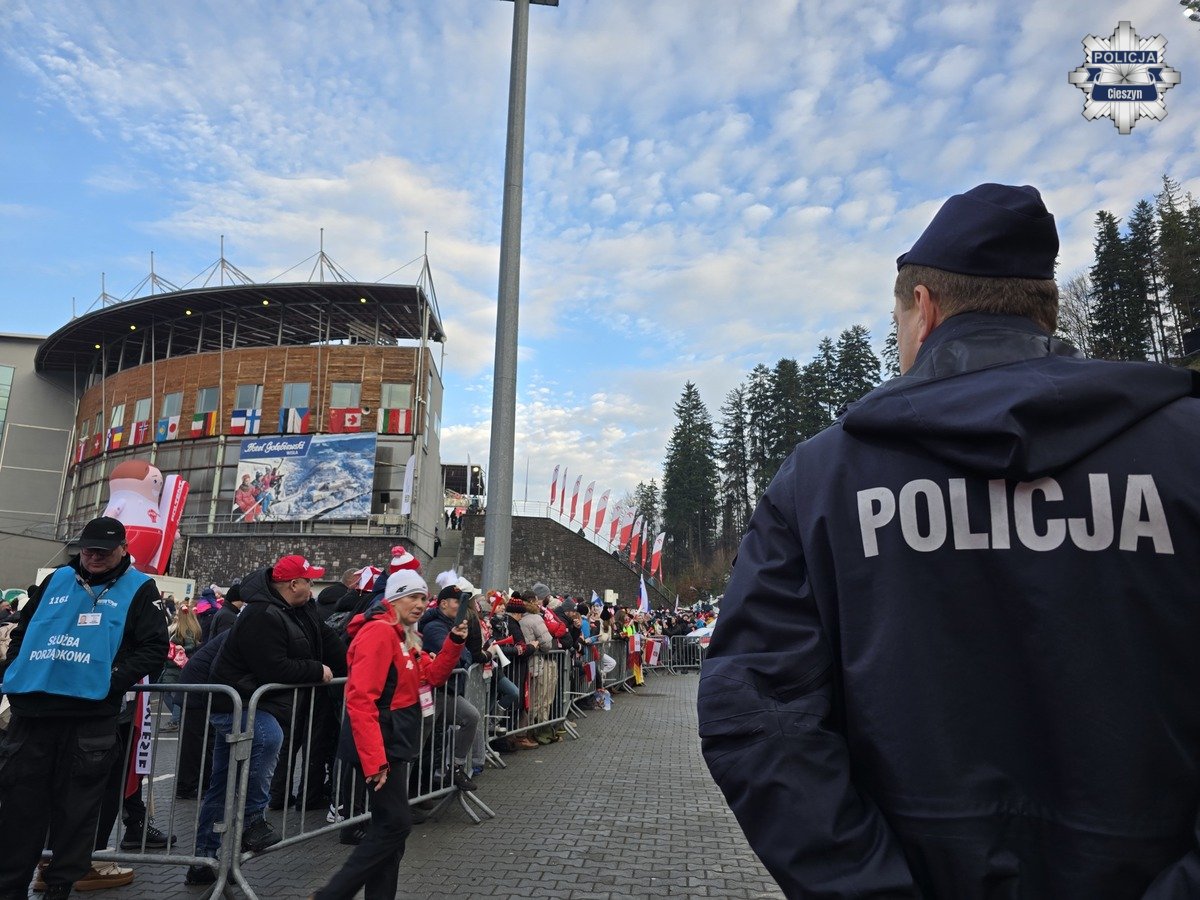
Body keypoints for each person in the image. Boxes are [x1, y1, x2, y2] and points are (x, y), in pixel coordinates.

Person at [697, 183, 1200, 898]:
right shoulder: (1184, 450)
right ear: (1045, 308)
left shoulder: (823, 480)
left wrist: (866, 885)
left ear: (924, 307)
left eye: (897, 321)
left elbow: (756, 713)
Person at [0, 516, 167, 898]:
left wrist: (110, 681)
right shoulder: (57, 578)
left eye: (103, 552)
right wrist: (17, 666)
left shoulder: (139, 588)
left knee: (76, 813)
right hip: (33, 714)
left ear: (123, 549)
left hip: (89, 718)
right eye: (88, 550)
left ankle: (59, 887)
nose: (93, 557)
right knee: (19, 810)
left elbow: (154, 648)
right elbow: (24, 629)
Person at [187, 555, 347, 885]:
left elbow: (327, 642)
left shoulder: (301, 610)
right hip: (238, 702)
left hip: (252, 700)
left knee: (222, 783)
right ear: (293, 584)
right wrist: (316, 671)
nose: (313, 587)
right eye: (309, 581)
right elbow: (273, 667)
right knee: (268, 737)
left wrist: (352, 668)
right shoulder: (261, 614)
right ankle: (252, 821)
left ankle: (205, 859)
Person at [309, 570, 466, 900]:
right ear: (393, 599)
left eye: (423, 597)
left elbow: (432, 677)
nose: (420, 604)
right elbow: (360, 698)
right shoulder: (379, 633)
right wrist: (375, 761)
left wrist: (454, 642)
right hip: (380, 742)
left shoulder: (404, 635)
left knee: (390, 833)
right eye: (412, 597)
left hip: (394, 740)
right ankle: (331, 894)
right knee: (395, 825)